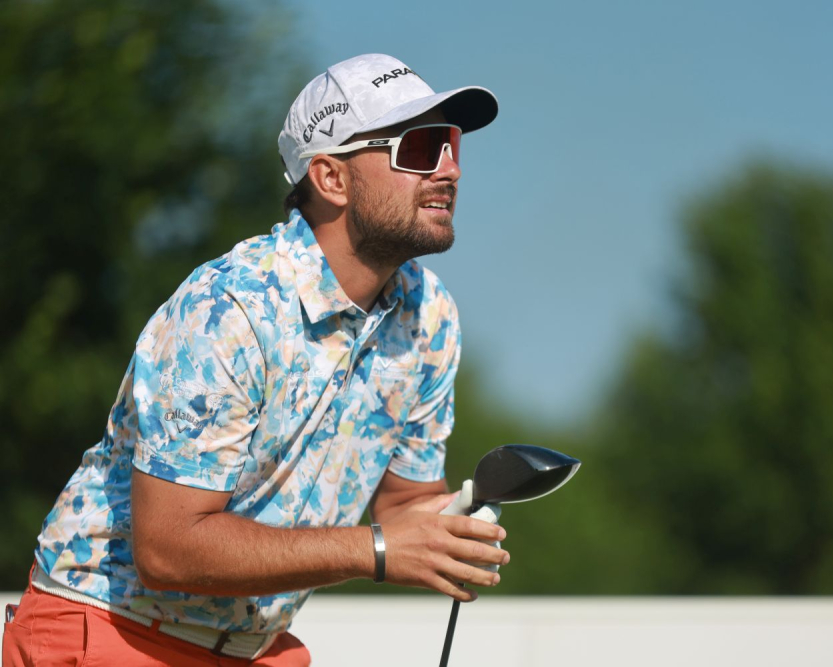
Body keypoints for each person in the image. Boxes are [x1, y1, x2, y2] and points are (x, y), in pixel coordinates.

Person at [2, 53, 508, 666]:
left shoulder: (429, 316)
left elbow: (403, 506)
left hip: (255, 649)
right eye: (421, 147)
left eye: (452, 144)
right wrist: (375, 550)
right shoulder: (227, 307)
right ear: (331, 178)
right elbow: (169, 550)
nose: (449, 169)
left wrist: (450, 528)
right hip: (113, 630)